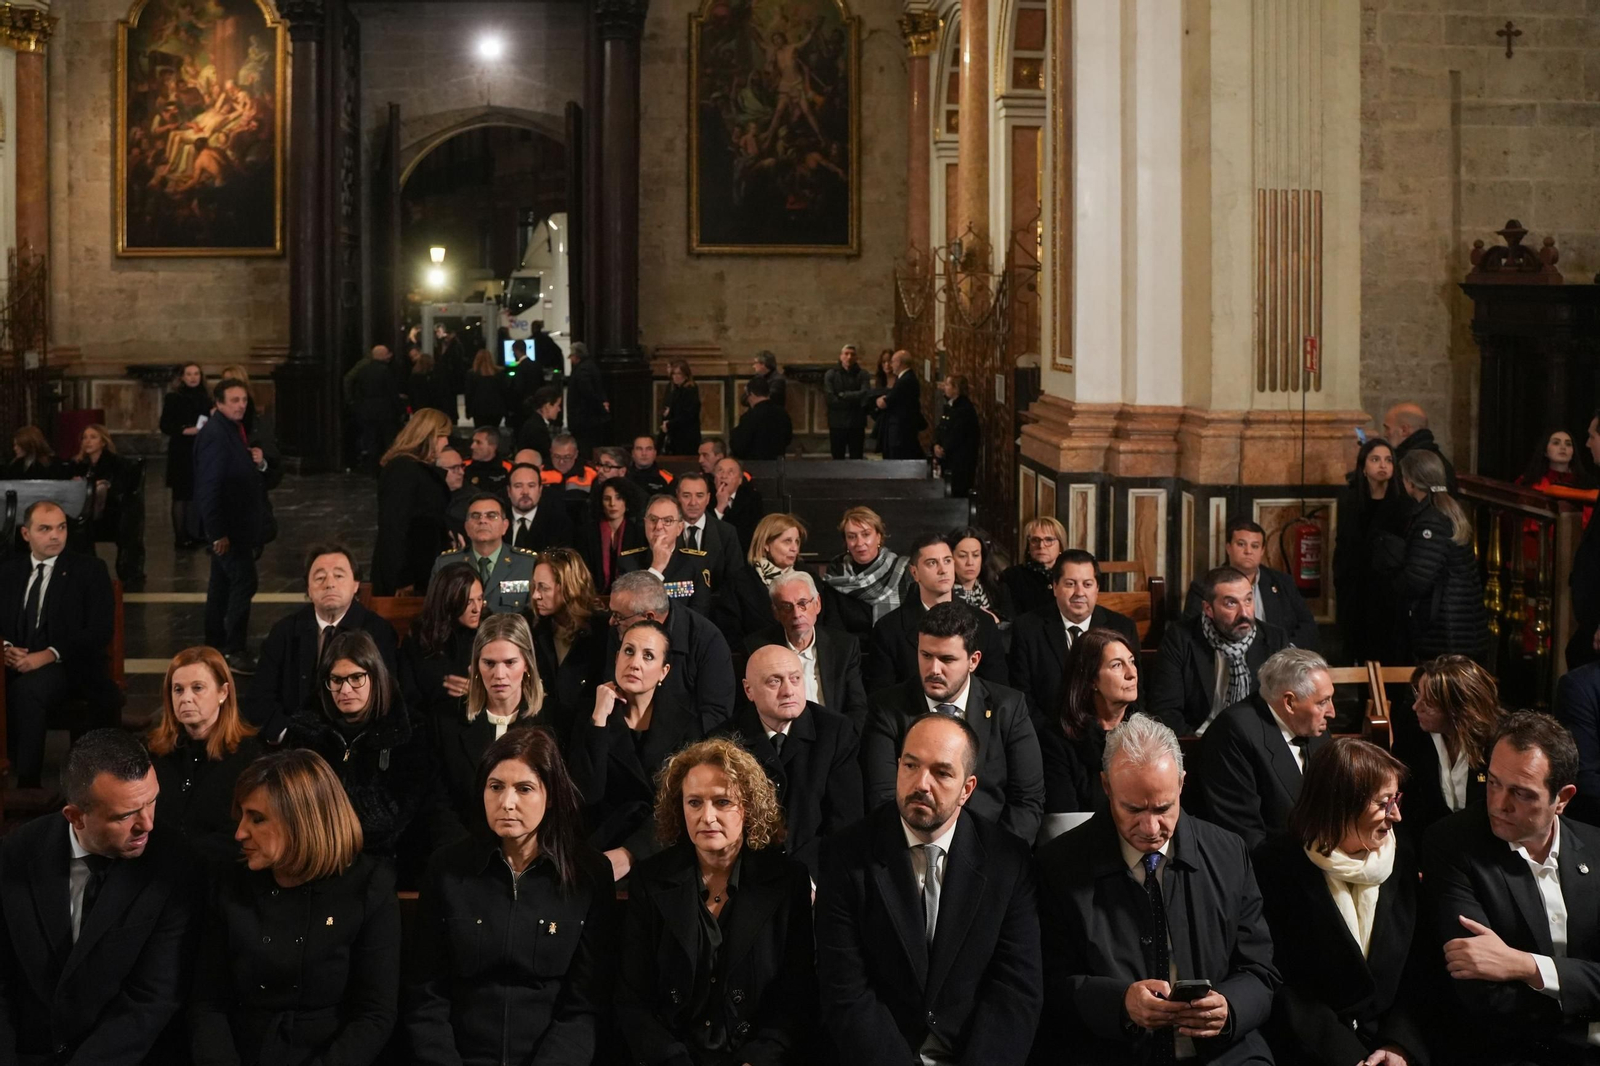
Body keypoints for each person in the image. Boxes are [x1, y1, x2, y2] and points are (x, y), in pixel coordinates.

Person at [1034, 715, 1280, 1065]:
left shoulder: (1228, 854)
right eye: (1132, 809)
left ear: (1181, 784)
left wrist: (1230, 1007)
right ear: (1106, 787)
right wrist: (1119, 1003)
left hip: (1224, 1053)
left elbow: (1260, 969)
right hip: (1112, 1052)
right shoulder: (1059, 865)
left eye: (1163, 809)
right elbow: (1046, 983)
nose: (1150, 828)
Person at [815, 712, 1043, 1063]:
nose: (921, 783)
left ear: (967, 789)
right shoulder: (846, 855)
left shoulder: (1008, 861)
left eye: (942, 772)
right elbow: (846, 991)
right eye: (911, 765)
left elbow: (1015, 992)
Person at [406, 728, 615, 1066]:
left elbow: (585, 1006)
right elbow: (427, 994)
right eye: (496, 787)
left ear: (551, 795)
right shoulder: (447, 869)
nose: (507, 803)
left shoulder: (588, 874)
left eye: (524, 788)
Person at [190, 749, 401, 1065]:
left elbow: (374, 1015)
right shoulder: (231, 882)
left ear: (301, 822)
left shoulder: (368, 887)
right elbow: (208, 1003)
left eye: (257, 819)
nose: (239, 833)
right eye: (242, 816)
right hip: (244, 1052)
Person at [0, 729, 194, 1064]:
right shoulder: (17, 854)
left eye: (152, 802)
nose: (147, 824)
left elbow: (151, 999)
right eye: (126, 815)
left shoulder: (175, 864)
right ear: (75, 816)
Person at [618, 737, 816, 1063]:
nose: (707, 817)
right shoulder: (650, 879)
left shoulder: (787, 880)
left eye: (722, 802)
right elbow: (633, 999)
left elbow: (796, 998)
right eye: (694, 802)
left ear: (748, 806)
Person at [1422, 712, 1600, 1065]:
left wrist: (1523, 965)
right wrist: (1585, 1021)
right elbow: (1480, 993)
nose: (1499, 804)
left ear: (1562, 798)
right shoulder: (1451, 844)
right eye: (1493, 782)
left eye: (1521, 793)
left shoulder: (1596, 847)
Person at [1254, 738, 1428, 1066]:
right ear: (1341, 805)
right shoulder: (1275, 866)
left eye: (1397, 799)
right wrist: (1347, 1057)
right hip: (1316, 1052)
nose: (1396, 815)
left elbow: (1420, 964)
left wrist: (1399, 1044)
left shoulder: (1402, 856)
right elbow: (1280, 981)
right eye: (1384, 803)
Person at [863, 601, 1043, 841]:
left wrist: (996, 855)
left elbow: (1027, 800)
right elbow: (883, 799)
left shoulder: (1008, 708)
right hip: (911, 847)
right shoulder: (886, 709)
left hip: (993, 848)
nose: (934, 669)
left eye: (947, 659)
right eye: (926, 655)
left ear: (973, 661)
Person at [569, 619, 704, 882]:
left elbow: (683, 804)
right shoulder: (589, 712)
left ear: (664, 671)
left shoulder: (685, 723)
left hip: (659, 847)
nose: (635, 663)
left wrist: (630, 853)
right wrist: (599, 720)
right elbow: (586, 794)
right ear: (616, 657)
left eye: (648, 656)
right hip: (598, 844)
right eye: (629, 651)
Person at [283, 630, 432, 859]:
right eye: (336, 680)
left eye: (356, 678)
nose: (345, 690)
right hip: (313, 850)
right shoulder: (305, 729)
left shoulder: (410, 730)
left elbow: (394, 811)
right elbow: (291, 800)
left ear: (375, 677)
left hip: (383, 856)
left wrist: (325, 813)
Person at [0, 500, 116, 787]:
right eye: (45, 529)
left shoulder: (89, 570)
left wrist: (48, 655)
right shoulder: (9, 572)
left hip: (69, 665)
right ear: (26, 534)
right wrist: (5, 648)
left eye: (61, 528)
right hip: (14, 660)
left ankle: (27, 783)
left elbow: (100, 631)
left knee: (29, 689)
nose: (55, 536)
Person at [725, 645, 863, 878]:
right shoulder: (726, 741)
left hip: (818, 871)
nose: (788, 691)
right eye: (774, 682)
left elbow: (845, 823)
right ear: (749, 690)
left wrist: (810, 878)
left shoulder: (835, 732)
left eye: (795, 679)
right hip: (747, 874)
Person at [250, 543, 400, 740]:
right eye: (320, 577)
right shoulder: (284, 631)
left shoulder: (378, 632)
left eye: (339, 575)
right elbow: (260, 696)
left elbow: (388, 698)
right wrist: (288, 735)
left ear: (356, 585)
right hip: (293, 742)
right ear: (308, 589)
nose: (329, 584)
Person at [1195, 647, 1336, 850]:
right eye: (1323, 702)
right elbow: (1245, 837)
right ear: (1289, 702)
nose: (1332, 712)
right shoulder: (1233, 732)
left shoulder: (1315, 727)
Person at [431, 612, 551, 838]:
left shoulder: (552, 720)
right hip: (464, 845)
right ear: (476, 666)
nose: (499, 674)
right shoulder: (446, 720)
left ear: (526, 664)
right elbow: (439, 803)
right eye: (489, 663)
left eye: (510, 663)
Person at [149, 645, 262, 865]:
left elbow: (244, 831)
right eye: (178, 689)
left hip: (219, 869)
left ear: (223, 692)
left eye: (197, 688)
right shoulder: (155, 751)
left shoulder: (249, 756)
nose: (186, 698)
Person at [1146, 565, 1291, 735]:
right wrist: (1201, 746)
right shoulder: (1180, 638)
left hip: (1255, 741)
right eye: (1231, 603)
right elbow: (1165, 710)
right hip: (1197, 740)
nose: (1244, 613)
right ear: (1208, 609)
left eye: (1248, 600)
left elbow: (1284, 708)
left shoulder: (1274, 639)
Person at [1374, 449, 1489, 661]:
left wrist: (1392, 576)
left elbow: (1417, 580)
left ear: (1410, 483)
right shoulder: (1446, 509)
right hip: (1461, 626)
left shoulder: (1431, 520)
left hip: (1446, 630)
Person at [195, 377, 276, 673]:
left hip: (235, 526)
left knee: (221, 585)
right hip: (229, 529)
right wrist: (217, 532)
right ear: (219, 403)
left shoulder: (231, 429)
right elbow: (209, 487)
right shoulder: (217, 435)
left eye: (243, 400)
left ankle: (215, 644)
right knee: (244, 581)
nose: (241, 405)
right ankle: (233, 649)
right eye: (234, 401)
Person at [866, 533, 1009, 692]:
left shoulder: (984, 623)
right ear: (914, 573)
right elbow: (881, 695)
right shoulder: (888, 628)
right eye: (932, 563)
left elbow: (997, 691)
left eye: (947, 561)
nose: (943, 570)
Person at [1007, 549, 1140, 718]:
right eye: (1070, 584)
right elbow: (1022, 695)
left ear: (1097, 588)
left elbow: (1135, 694)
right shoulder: (1027, 628)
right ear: (1055, 587)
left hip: (1109, 729)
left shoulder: (1122, 627)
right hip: (1047, 730)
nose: (1079, 593)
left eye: (1087, 584)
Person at [1035, 627, 1148, 824]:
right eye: (1117, 665)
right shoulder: (1056, 740)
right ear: (1091, 680)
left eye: (1131, 662)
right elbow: (1064, 821)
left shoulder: (1148, 733)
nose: (1131, 673)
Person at [606, 571, 738, 733]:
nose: (611, 621)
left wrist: (674, 743)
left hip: (687, 741)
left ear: (649, 617)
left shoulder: (706, 639)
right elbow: (612, 688)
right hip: (624, 732)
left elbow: (716, 714)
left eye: (618, 616)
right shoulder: (619, 630)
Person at [744, 570, 869, 728]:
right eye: (787, 607)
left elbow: (857, 708)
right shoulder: (758, 649)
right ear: (776, 612)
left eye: (802, 604)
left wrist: (843, 738)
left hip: (834, 734)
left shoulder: (843, 646)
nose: (796, 614)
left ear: (817, 604)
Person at [1184, 517, 1320, 650]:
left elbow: (1308, 625)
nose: (1248, 551)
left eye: (1255, 546)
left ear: (1262, 551)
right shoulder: (1203, 586)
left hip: (1277, 658)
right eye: (1241, 544)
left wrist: (1287, 653)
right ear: (1228, 547)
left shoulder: (1283, 582)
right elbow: (1191, 633)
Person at [1335, 436, 1412, 665]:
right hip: (1356, 588)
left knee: (1388, 651)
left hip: (1388, 590)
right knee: (1359, 648)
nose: (1383, 465)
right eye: (1375, 459)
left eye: (1388, 460)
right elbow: (1343, 546)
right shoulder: (1351, 501)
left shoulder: (1402, 503)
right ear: (1363, 467)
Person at [1402, 654, 1500, 832]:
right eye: (1418, 694)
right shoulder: (1413, 733)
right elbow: (1407, 808)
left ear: (1460, 709)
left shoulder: (1499, 742)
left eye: (1428, 703)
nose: (1416, 707)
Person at [371, 408, 454, 595]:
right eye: (443, 436)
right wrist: (402, 578)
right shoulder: (402, 470)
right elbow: (394, 525)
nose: (446, 442)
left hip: (424, 571)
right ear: (429, 436)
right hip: (409, 578)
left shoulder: (414, 469)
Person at [528, 547, 610, 736]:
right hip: (542, 730)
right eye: (534, 586)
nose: (535, 595)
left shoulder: (602, 630)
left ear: (568, 587)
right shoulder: (532, 627)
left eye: (544, 588)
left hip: (585, 729)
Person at [399, 562, 483, 724]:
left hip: (476, 725)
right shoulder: (418, 640)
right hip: (430, 727)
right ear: (448, 599)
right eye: (468, 602)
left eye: (480, 599)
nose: (477, 608)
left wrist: (480, 693)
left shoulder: (487, 635)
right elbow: (409, 699)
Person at [432, 492, 538, 614]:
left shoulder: (528, 564)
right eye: (475, 516)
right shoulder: (446, 564)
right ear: (466, 527)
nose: (482, 520)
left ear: (505, 526)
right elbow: (435, 613)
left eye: (491, 516)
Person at [617, 494, 714, 617]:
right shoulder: (628, 562)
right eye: (653, 519)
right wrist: (656, 568)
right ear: (645, 523)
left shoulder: (696, 563)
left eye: (667, 521)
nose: (658, 526)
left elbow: (699, 615)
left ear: (679, 528)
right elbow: (628, 611)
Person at [73, 423, 146, 584]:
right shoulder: (78, 465)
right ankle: (84, 571)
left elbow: (122, 490)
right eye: (84, 438)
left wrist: (101, 486)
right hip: (82, 511)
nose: (87, 441)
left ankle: (128, 573)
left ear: (103, 442)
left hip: (111, 513)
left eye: (93, 437)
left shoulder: (117, 463)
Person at [821, 505, 913, 632]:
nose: (859, 543)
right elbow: (834, 629)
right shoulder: (835, 574)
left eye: (866, 534)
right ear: (846, 542)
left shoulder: (903, 570)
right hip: (850, 644)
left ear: (878, 537)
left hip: (896, 643)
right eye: (852, 536)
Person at [725, 511, 807, 638]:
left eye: (797, 541)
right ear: (766, 545)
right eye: (787, 541)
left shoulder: (808, 578)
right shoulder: (739, 582)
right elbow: (730, 631)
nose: (794, 548)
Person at [160, 361, 212, 548]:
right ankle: (180, 537)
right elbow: (165, 425)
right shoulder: (174, 397)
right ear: (182, 377)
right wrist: (184, 430)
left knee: (194, 493)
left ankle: (193, 532)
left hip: (200, 449)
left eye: (196, 373)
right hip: (181, 450)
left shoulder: (206, 398)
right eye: (189, 374)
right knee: (181, 494)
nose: (193, 377)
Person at [675, 470, 740, 595]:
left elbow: (734, 580)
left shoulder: (726, 533)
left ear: (708, 498)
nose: (693, 503)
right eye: (686, 496)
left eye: (699, 496)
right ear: (677, 497)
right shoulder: (666, 530)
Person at [578, 478, 644, 595]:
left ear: (627, 501)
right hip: (593, 596)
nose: (612, 504)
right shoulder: (587, 533)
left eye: (618, 498)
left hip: (630, 596)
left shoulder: (638, 533)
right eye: (606, 499)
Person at [343, 344, 402, 470]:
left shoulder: (363, 371)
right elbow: (392, 392)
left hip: (367, 411)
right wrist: (399, 409)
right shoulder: (386, 371)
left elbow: (356, 389)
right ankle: (389, 467)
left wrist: (353, 403)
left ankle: (372, 468)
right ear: (383, 355)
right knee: (388, 440)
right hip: (385, 411)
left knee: (371, 441)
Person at [1384, 401, 1458, 496]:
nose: (1385, 434)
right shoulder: (1439, 460)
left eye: (1387, 428)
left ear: (1404, 430)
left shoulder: (1408, 464)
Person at [949, 525, 1016, 626]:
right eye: (962, 556)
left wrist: (997, 623)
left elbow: (1011, 628)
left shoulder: (998, 591)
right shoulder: (943, 593)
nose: (970, 562)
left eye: (976, 555)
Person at [1000, 515, 1066, 616]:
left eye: (1049, 540)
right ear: (1028, 546)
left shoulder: (1068, 575)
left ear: (1060, 546)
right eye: (1035, 540)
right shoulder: (1012, 576)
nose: (1041, 546)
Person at [505, 461, 574, 551]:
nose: (525, 492)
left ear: (540, 490)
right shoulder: (497, 520)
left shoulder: (559, 525)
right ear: (509, 491)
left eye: (531, 486)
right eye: (518, 486)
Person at [874, 349, 927, 460]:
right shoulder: (905, 378)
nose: (891, 365)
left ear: (899, 362)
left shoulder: (905, 380)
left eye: (892, 361)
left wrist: (880, 400)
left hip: (901, 430)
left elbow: (886, 402)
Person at [934, 374, 980, 498]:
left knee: (957, 492)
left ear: (956, 389)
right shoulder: (951, 406)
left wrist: (944, 448)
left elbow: (957, 434)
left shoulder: (964, 409)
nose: (944, 387)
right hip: (948, 459)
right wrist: (936, 444)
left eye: (947, 385)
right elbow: (942, 428)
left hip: (959, 462)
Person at [730, 373, 793, 460]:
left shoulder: (749, 417)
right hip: (777, 465)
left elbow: (739, 446)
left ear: (751, 394)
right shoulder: (783, 413)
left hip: (755, 465)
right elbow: (788, 439)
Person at [824, 343, 870, 459]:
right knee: (837, 457)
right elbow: (830, 399)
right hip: (837, 423)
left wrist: (843, 395)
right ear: (841, 356)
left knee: (857, 457)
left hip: (856, 423)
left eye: (852, 354)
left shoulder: (863, 374)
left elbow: (865, 394)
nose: (849, 357)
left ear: (856, 357)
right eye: (846, 354)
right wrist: (854, 399)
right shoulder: (831, 374)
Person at [566, 342, 611, 460]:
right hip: (589, 418)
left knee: (584, 448)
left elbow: (588, 394)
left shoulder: (582, 370)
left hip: (583, 418)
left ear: (577, 356)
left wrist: (600, 408)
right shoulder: (590, 366)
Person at [712, 456, 763, 554]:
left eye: (730, 472)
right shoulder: (706, 497)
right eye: (720, 471)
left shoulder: (752, 499)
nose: (724, 476)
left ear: (740, 480)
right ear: (714, 478)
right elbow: (707, 534)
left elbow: (746, 536)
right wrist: (719, 508)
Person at [659, 359, 703, 455]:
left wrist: (669, 424)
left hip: (687, 435)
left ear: (686, 375)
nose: (675, 376)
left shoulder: (689, 390)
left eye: (678, 374)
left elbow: (688, 415)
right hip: (677, 434)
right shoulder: (676, 389)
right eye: (674, 374)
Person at [516, 384, 565, 459]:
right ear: (548, 406)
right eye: (557, 405)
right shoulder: (537, 429)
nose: (559, 409)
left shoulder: (535, 423)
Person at [464, 348, 510, 429]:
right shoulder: (500, 374)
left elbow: (469, 394)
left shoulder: (472, 374)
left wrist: (468, 411)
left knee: (480, 430)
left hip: (478, 410)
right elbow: (505, 393)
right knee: (493, 431)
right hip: (496, 409)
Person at [3, 425, 70, 479]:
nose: (15, 448)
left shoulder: (54, 465)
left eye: (18, 445)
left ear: (28, 445)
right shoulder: (15, 466)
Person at [501, 336, 543, 420]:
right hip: (535, 404)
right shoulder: (536, 365)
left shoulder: (519, 368)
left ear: (516, 350)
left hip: (522, 407)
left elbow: (518, 388)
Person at [462, 426, 512, 496]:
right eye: (473, 442)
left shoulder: (508, 468)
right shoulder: (464, 466)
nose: (472, 446)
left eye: (478, 442)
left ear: (493, 446)